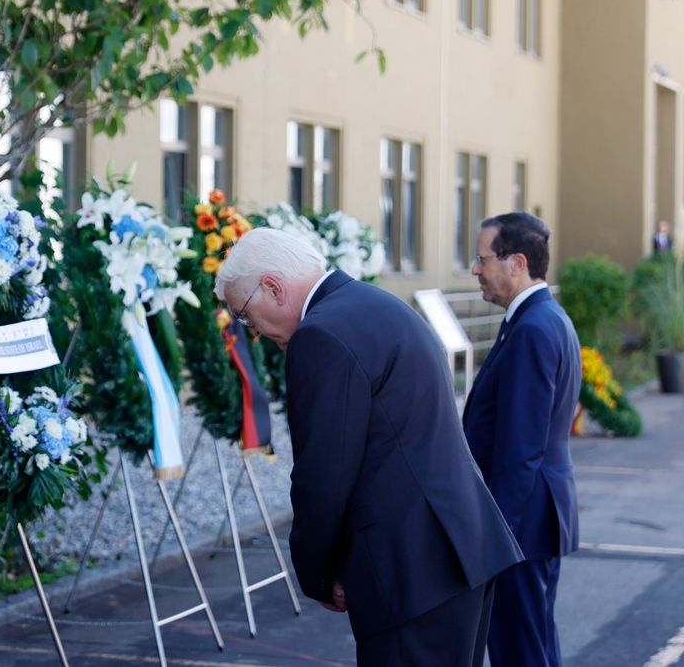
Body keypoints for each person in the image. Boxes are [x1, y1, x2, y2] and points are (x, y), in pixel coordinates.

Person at [216, 228, 522, 667]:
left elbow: (324, 475)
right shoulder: (374, 304)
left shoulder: (319, 336)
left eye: (245, 316)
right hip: (457, 549)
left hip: (410, 571)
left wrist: (318, 573)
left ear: (274, 287)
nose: (255, 333)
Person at [463, 212, 582, 667]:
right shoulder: (541, 317)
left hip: (521, 522)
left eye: (482, 258)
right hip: (533, 517)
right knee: (532, 643)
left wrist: (497, 534)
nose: (475, 269)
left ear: (516, 263)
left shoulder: (533, 327)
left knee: (521, 650)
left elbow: (521, 447)